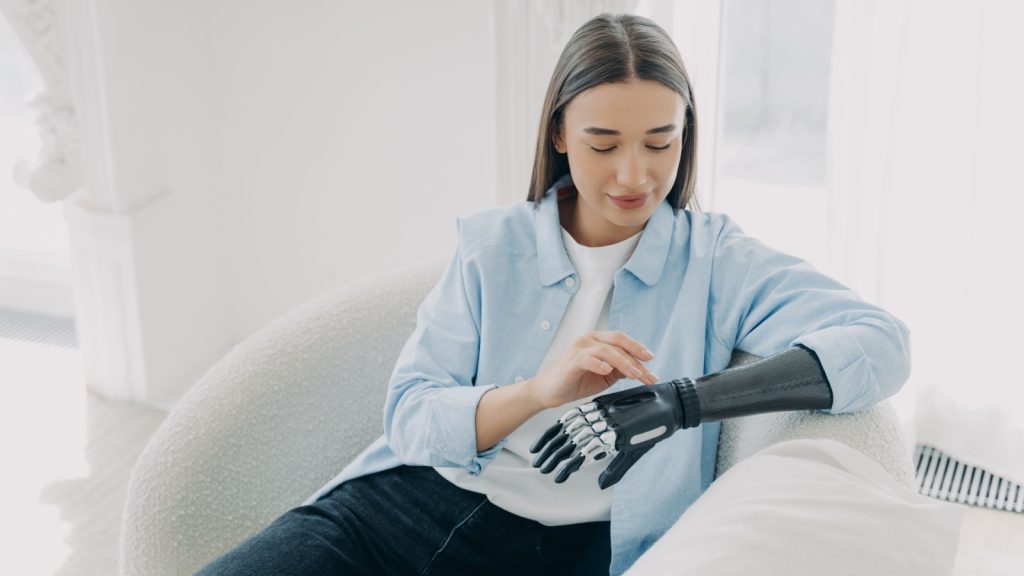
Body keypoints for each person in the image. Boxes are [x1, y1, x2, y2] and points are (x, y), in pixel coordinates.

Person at [196, 12, 910, 576]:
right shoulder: (491, 248)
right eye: (604, 144)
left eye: (660, 142)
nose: (635, 174)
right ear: (561, 135)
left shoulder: (718, 260)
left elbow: (879, 344)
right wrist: (538, 392)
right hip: (405, 508)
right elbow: (411, 414)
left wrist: (682, 402)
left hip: (577, 549)